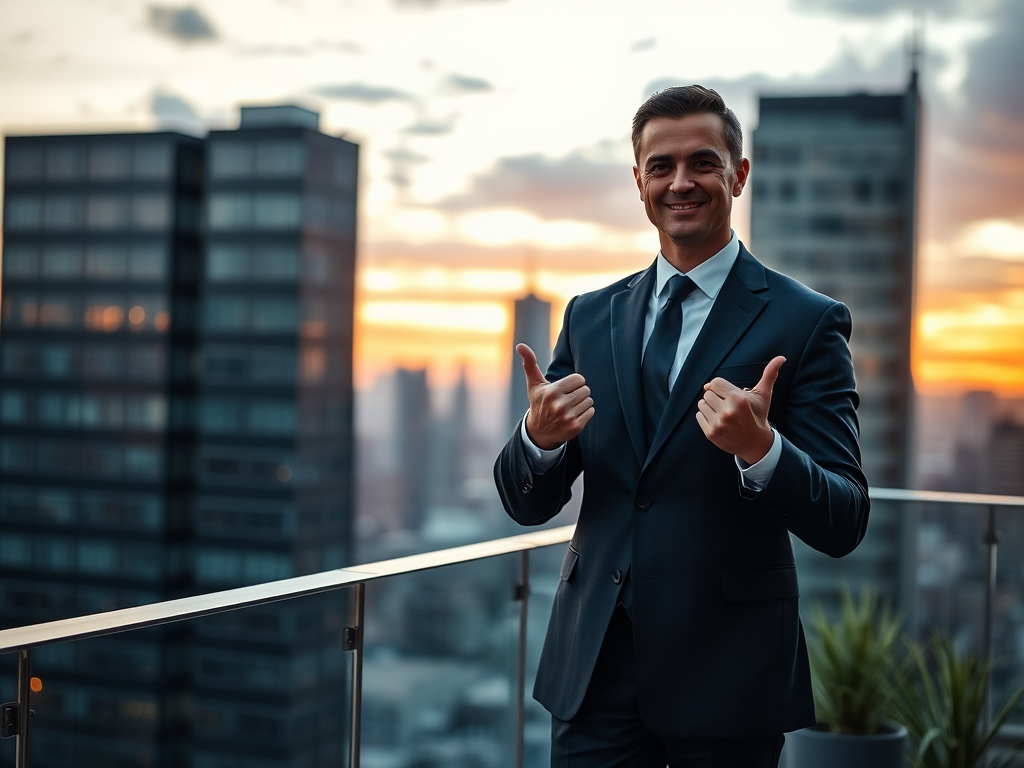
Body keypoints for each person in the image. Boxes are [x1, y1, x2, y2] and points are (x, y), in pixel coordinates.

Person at [493, 85, 870, 767]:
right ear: (638, 182)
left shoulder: (808, 321)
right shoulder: (588, 316)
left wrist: (763, 452)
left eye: (703, 162)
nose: (681, 182)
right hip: (595, 668)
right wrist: (538, 442)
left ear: (739, 174)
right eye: (660, 166)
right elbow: (526, 502)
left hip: (730, 675)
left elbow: (844, 518)